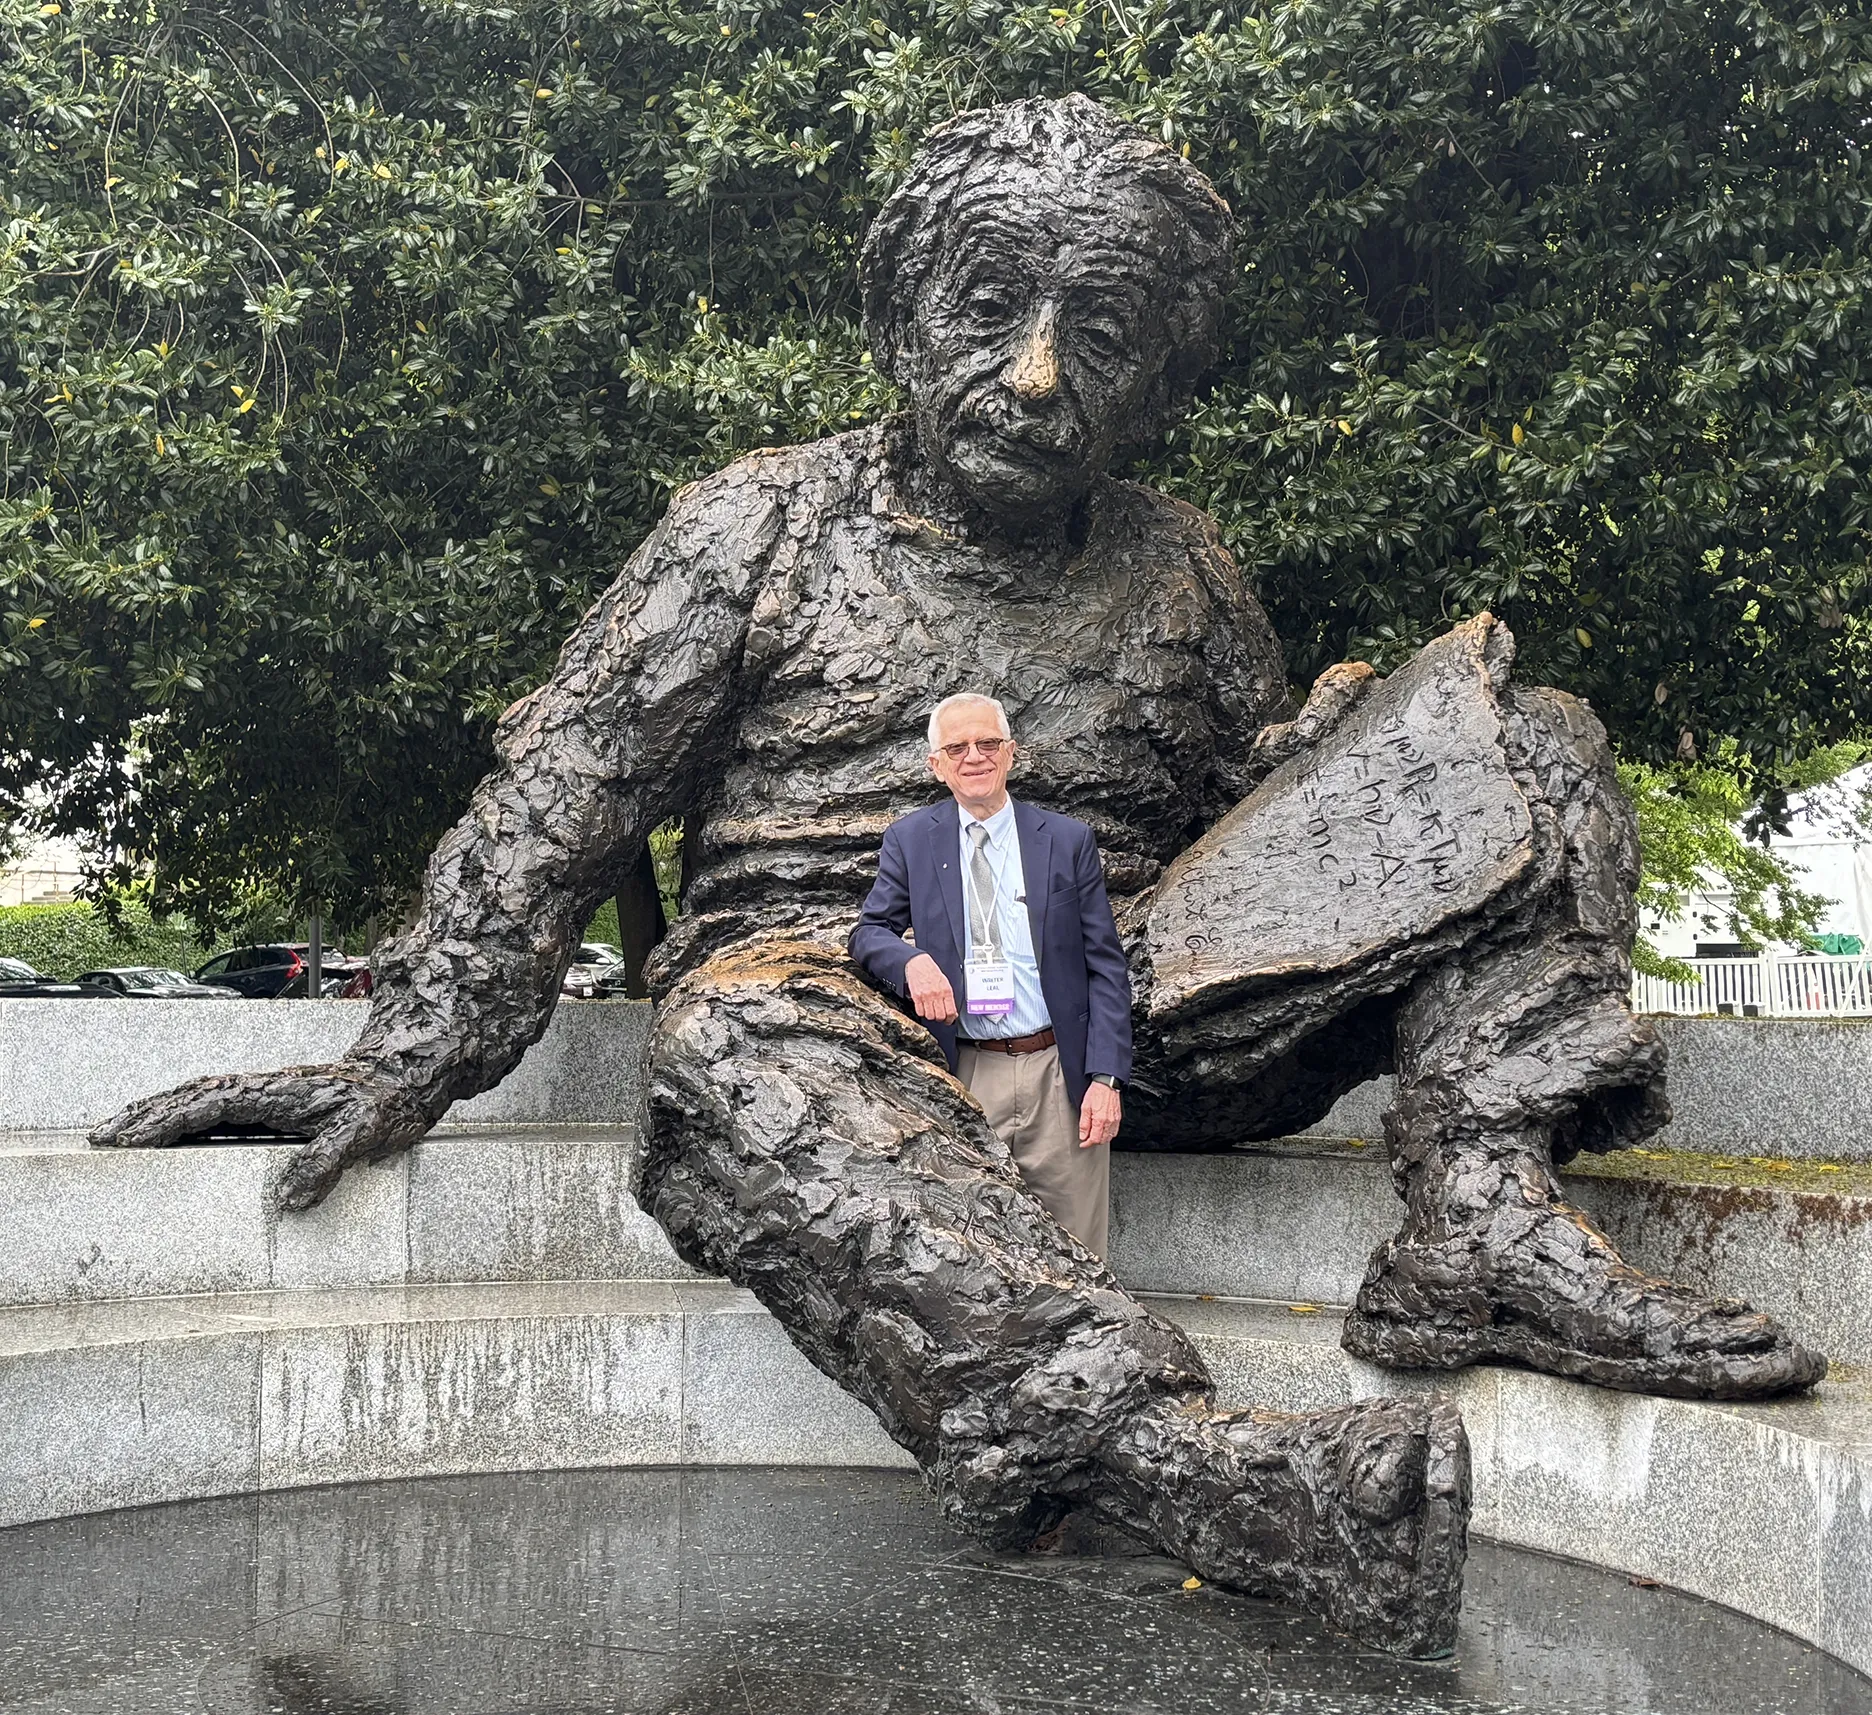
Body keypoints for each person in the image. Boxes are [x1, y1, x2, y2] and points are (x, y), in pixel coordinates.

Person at [89, 94, 1820, 1654]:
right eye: (992, 311)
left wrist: (1345, 749)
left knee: (1526, 740)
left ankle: (1482, 1221)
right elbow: (556, 810)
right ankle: (1179, 1463)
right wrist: (398, 1058)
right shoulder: (755, 528)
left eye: (1104, 333)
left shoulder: (1182, 566)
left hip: (1129, 996)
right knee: (738, 1045)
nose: (1041, 374)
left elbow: (1253, 823)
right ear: (897, 315)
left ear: (1162, 377)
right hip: (836, 997)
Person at [849, 693, 1128, 1255]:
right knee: (968, 1253)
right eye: (957, 747)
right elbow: (868, 932)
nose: (974, 756)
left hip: (1060, 1076)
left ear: (1010, 753)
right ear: (936, 765)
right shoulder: (910, 840)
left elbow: (1106, 964)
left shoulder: (1067, 840)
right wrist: (912, 963)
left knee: (1079, 1256)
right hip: (965, 1075)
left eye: (987, 743)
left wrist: (1106, 1078)